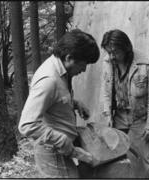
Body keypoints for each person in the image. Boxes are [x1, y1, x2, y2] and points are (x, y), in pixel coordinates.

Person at [18, 29, 100, 178]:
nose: (84, 69)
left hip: (61, 150)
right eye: (83, 64)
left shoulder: (61, 71)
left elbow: (54, 99)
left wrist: (75, 103)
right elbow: (27, 124)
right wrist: (62, 140)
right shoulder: (49, 80)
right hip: (53, 152)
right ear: (69, 57)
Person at [100, 29, 149, 178]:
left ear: (125, 48)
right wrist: (107, 115)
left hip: (140, 118)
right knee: (128, 157)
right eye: (109, 52)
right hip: (119, 117)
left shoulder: (145, 64)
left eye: (115, 52)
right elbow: (106, 90)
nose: (111, 56)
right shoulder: (108, 62)